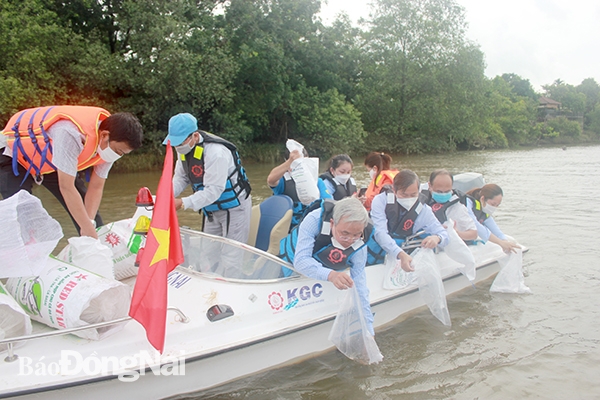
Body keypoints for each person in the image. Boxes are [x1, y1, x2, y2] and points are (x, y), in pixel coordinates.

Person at [0, 105, 143, 238]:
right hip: (14, 155)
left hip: (50, 161)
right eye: (118, 151)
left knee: (88, 216)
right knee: (22, 212)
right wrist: (86, 228)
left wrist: (90, 224)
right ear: (105, 135)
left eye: (123, 154)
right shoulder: (70, 133)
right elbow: (66, 187)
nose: (118, 155)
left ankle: (96, 251)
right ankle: (30, 256)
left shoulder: (110, 148)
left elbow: (96, 186)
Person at [289, 197, 375, 335]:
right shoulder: (313, 220)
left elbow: (359, 283)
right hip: (291, 262)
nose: (350, 241)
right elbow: (300, 261)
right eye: (344, 234)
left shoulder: (360, 242)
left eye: (356, 235)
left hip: (323, 267)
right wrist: (331, 275)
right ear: (332, 223)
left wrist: (368, 329)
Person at [163, 113, 252, 244]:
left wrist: (182, 203)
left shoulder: (216, 153)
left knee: (231, 256)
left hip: (234, 207)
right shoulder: (183, 150)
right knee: (207, 253)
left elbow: (214, 190)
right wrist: (165, 195)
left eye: (180, 143)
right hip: (210, 208)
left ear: (194, 135)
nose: (177, 147)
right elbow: (181, 178)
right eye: (174, 144)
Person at [368, 169, 448, 269]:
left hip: (405, 252)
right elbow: (380, 233)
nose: (409, 198)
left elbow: (443, 233)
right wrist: (400, 254)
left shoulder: (424, 210)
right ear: (394, 190)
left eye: (413, 194)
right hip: (379, 253)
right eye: (404, 194)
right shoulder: (380, 201)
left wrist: (437, 238)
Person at [267, 148, 331, 230]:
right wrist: (290, 162)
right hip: (289, 228)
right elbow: (271, 180)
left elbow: (328, 202)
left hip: (311, 226)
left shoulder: (317, 181)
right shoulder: (283, 181)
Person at [421, 169, 478, 241]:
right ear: (430, 186)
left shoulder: (458, 207)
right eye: (439, 191)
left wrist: (457, 233)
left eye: (447, 191)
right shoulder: (419, 197)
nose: (443, 194)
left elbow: (474, 233)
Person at [466, 184, 520, 253]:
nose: (494, 208)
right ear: (482, 199)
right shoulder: (467, 203)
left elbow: (496, 231)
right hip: (456, 236)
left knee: (509, 241)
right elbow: (475, 225)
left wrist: (504, 241)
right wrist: (500, 242)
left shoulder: (485, 211)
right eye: (493, 204)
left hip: (469, 239)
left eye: (497, 205)